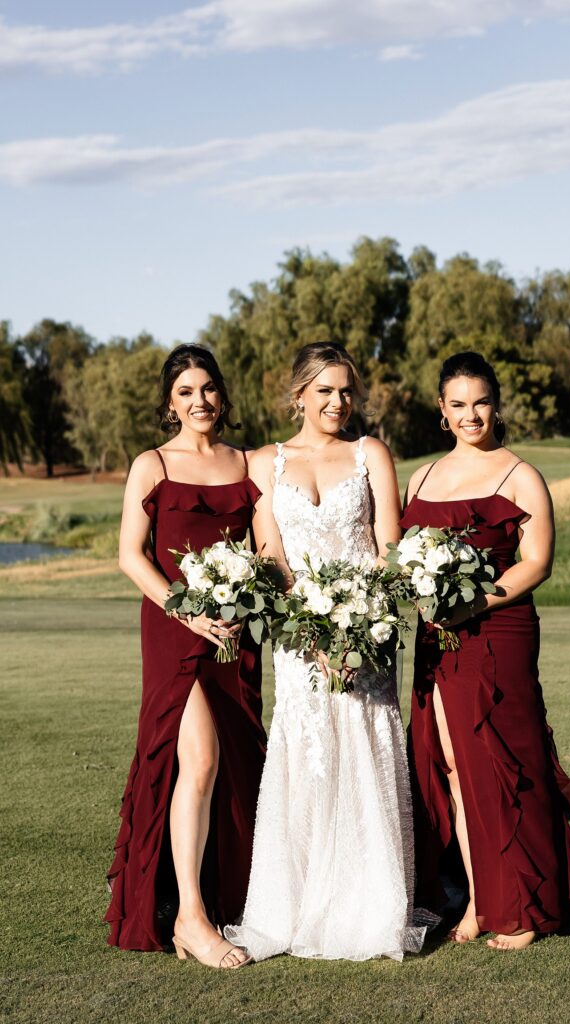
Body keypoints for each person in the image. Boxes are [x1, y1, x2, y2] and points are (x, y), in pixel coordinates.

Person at [224, 342, 427, 961]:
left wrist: (367, 631)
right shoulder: (266, 463)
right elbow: (273, 560)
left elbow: (390, 550)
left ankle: (372, 905)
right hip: (298, 638)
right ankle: (297, 902)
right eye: (325, 391)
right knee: (307, 753)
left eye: (346, 390)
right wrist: (313, 638)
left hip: (368, 635)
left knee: (366, 745)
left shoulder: (372, 455)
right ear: (299, 396)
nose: (338, 402)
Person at [401, 351, 570, 950]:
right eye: (458, 404)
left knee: (508, 762)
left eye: (481, 402)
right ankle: (482, 901)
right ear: (442, 410)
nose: (471, 414)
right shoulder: (422, 478)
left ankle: (528, 906)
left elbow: (538, 561)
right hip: (437, 639)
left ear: (496, 404)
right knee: (454, 766)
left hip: (498, 630)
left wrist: (475, 604)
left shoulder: (520, 475)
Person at [105, 344, 266, 969]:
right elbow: (131, 555)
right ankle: (191, 921)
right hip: (176, 629)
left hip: (233, 631)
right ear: (169, 403)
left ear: (221, 394)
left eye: (207, 389)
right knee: (197, 759)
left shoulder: (245, 463)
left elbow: (265, 550)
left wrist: (248, 600)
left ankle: (228, 894)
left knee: (233, 763)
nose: (199, 401)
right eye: (185, 392)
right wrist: (186, 609)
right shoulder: (152, 464)